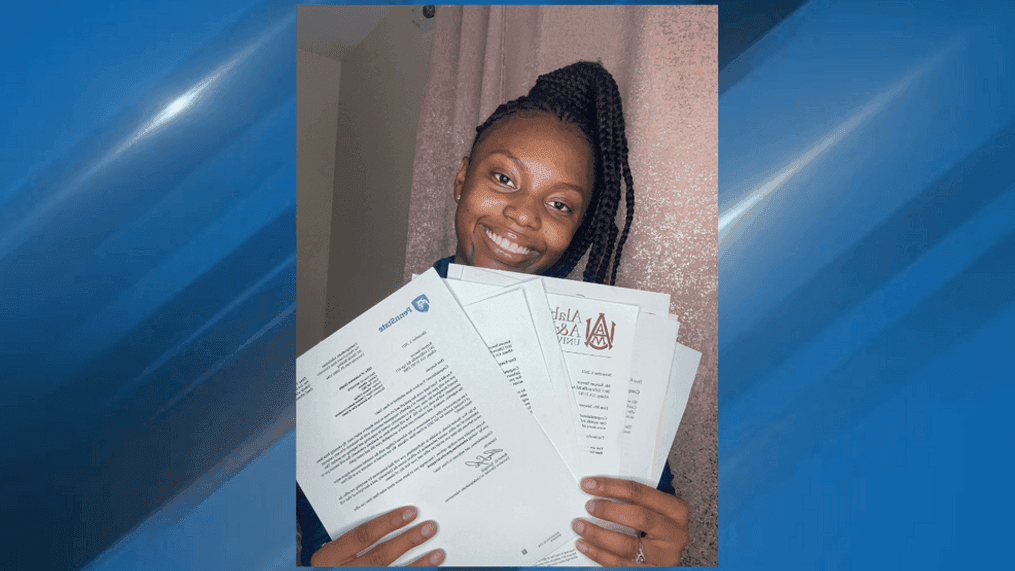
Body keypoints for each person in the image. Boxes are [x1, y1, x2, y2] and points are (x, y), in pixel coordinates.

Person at [299, 61, 689, 567]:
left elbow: (644, 527)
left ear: (580, 227)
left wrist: (658, 558)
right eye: (503, 177)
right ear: (462, 178)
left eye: (560, 205)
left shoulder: (615, 369)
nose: (525, 215)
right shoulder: (355, 367)